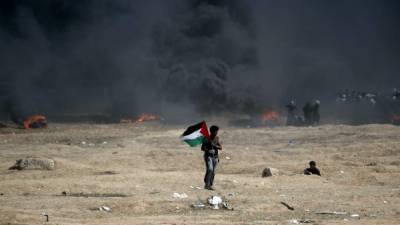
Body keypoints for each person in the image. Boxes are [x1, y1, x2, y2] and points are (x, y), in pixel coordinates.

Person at [201, 125, 222, 190]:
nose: (216, 133)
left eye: (217, 131)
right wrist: (208, 150)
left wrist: (214, 146)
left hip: (215, 157)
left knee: (213, 172)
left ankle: (210, 185)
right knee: (210, 169)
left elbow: (220, 147)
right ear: (211, 131)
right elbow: (202, 148)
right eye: (215, 131)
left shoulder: (217, 138)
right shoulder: (206, 138)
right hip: (208, 156)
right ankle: (206, 183)